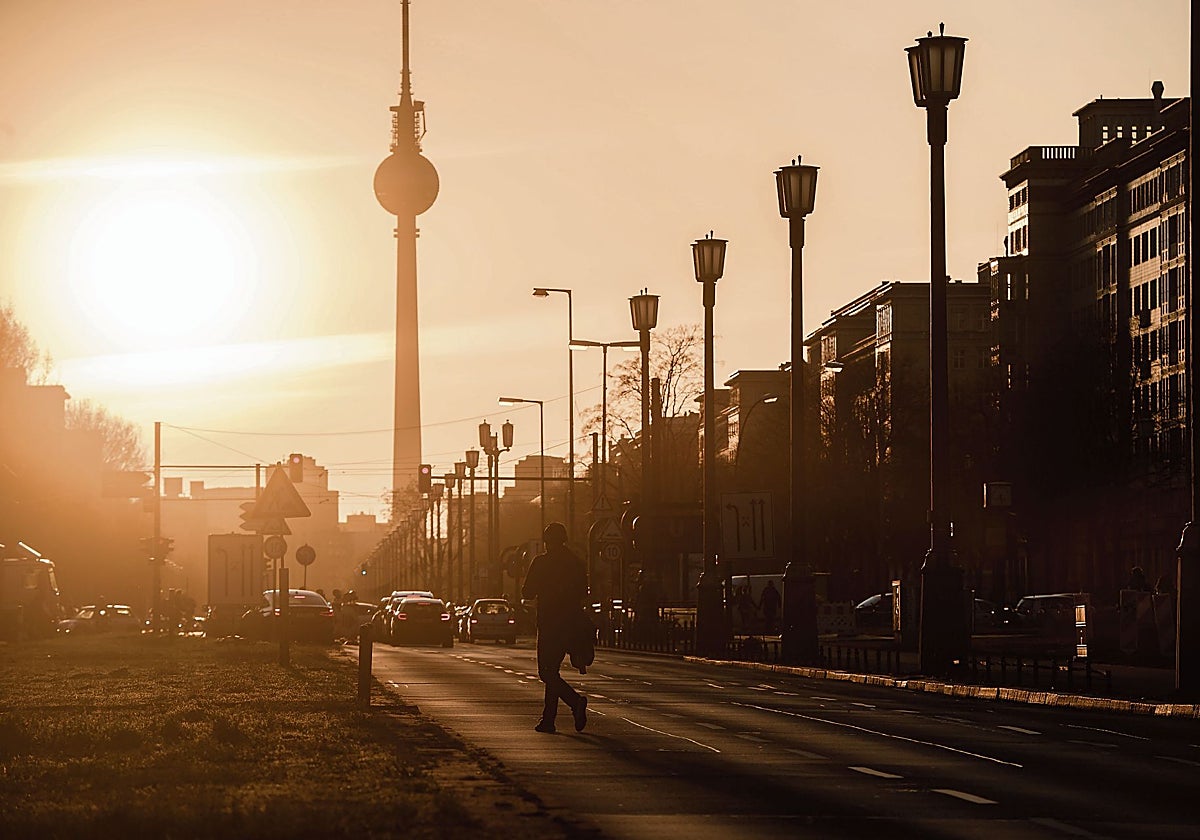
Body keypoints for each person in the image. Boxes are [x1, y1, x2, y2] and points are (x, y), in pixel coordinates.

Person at [522, 522, 588, 734]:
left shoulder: (541, 563)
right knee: (553, 671)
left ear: (547, 541)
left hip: (549, 623)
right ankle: (548, 720)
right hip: (571, 624)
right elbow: (584, 592)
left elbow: (527, 592)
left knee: (546, 672)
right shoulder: (576, 563)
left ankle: (574, 701)